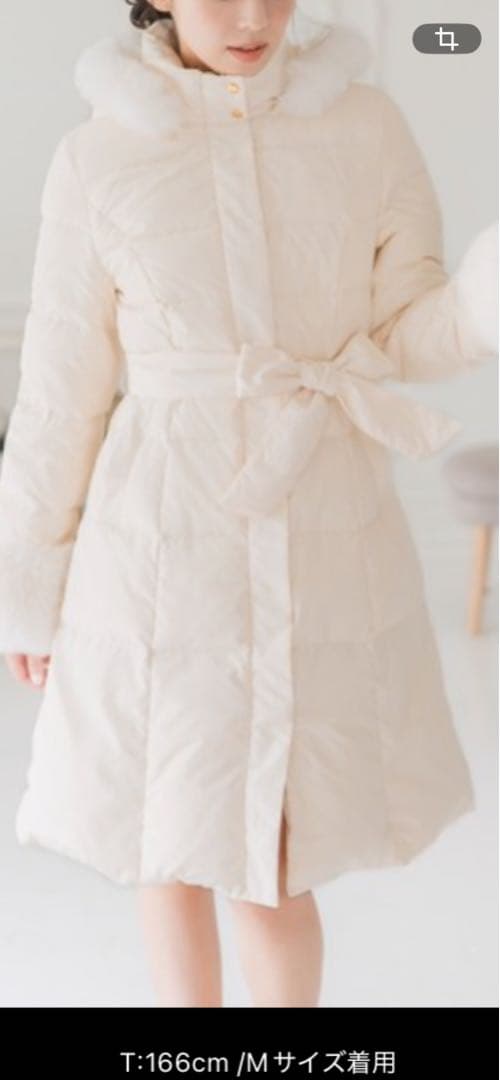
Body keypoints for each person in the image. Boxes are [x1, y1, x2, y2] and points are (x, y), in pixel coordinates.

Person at [0, 0, 497, 1008]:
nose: (253, 17)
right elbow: (58, 392)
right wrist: (30, 592)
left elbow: (405, 330)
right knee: (168, 832)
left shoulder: (362, 125)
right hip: (158, 541)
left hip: (321, 525)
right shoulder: (98, 156)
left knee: (276, 855)